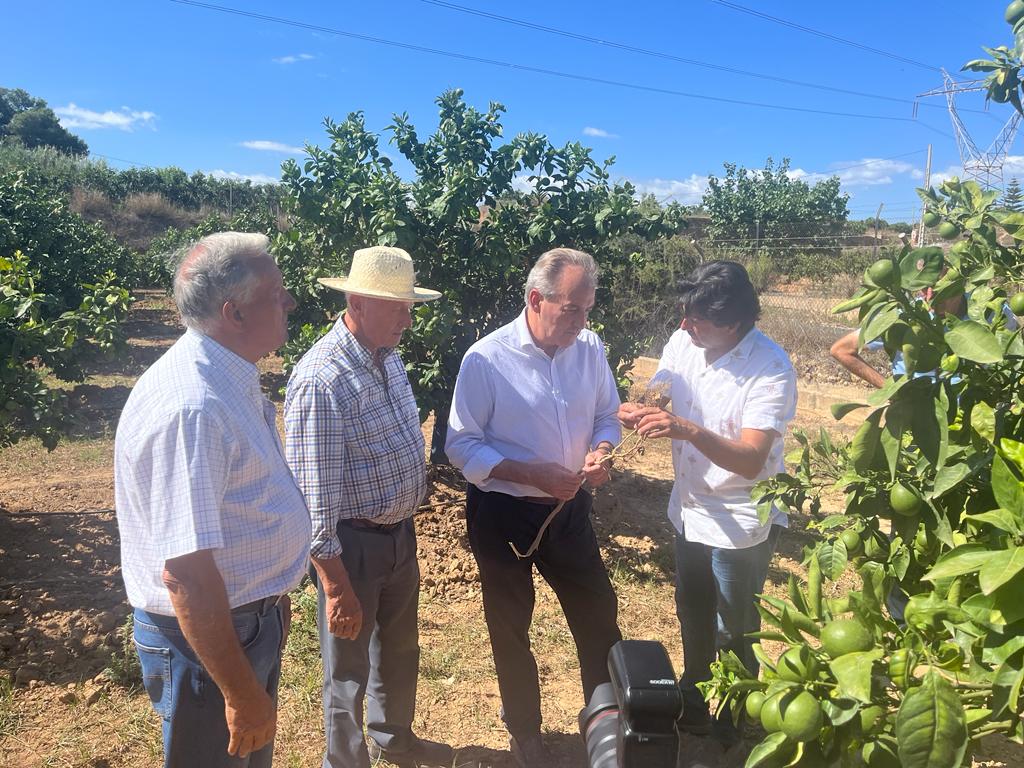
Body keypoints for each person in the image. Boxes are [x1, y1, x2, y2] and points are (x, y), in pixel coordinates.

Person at [115, 232, 311, 768]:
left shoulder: (228, 379)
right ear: (235, 314)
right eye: (277, 293)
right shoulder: (193, 408)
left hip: (245, 622)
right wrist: (242, 692)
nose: (289, 302)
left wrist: (272, 593)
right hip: (206, 643)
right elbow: (188, 575)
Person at [445, 247, 623, 768]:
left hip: (567, 512)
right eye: (573, 309)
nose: (583, 322)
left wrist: (602, 452)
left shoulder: (588, 348)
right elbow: (461, 445)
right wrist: (530, 472)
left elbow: (608, 415)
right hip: (502, 514)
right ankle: (525, 733)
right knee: (510, 625)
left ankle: (605, 721)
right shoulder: (486, 358)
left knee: (598, 613)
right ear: (536, 300)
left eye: (588, 309)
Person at [284, 246, 454, 768]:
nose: (408, 316)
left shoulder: (389, 357)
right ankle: (345, 761)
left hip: (400, 536)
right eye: (396, 305)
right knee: (347, 668)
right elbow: (312, 502)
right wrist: (335, 585)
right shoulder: (321, 380)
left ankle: (393, 737)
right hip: (351, 546)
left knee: (400, 651)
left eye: (409, 304)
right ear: (357, 302)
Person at [618, 260, 797, 747]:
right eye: (683, 314)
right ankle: (694, 700)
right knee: (692, 609)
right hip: (690, 506)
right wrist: (646, 404)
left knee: (734, 625)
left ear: (733, 324)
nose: (683, 325)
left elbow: (751, 458)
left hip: (740, 518)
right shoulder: (685, 340)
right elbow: (663, 386)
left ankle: (735, 716)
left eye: (696, 319)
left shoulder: (770, 368)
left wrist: (684, 428)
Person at [831, 288, 1018, 387]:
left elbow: (1014, 350)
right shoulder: (903, 315)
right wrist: (890, 392)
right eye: (923, 288)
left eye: (936, 288)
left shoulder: (989, 311)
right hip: (919, 418)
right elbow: (842, 350)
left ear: (958, 283)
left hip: (975, 419)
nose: (928, 297)